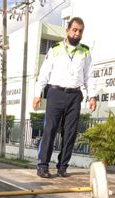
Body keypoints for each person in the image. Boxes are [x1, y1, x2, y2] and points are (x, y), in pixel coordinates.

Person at [33, 17, 97, 178]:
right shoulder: (54, 50)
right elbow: (44, 73)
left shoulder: (85, 51)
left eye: (80, 31)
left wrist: (92, 96)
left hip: (75, 95)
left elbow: (89, 75)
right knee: (50, 129)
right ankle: (42, 165)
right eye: (74, 30)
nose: (77, 33)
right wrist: (37, 94)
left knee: (70, 132)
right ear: (67, 30)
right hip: (55, 94)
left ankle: (62, 166)